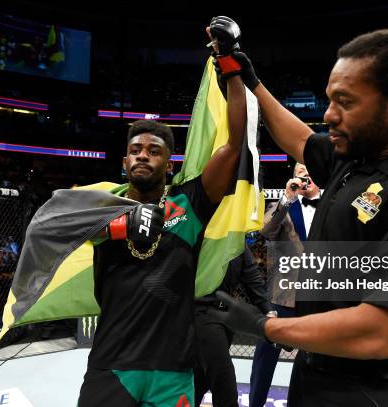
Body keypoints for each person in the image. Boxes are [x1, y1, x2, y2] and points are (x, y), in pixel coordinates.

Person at [209, 17, 388, 406]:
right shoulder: (360, 156)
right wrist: (250, 79)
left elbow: (382, 330)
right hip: (317, 378)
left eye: (345, 101)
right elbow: (301, 139)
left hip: (380, 392)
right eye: (330, 99)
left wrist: (266, 327)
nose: (329, 114)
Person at [77, 21, 248, 407]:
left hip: (173, 369)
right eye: (136, 149)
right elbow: (55, 223)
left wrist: (231, 66)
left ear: (169, 164)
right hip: (111, 365)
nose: (143, 155)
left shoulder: (188, 204)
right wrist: (121, 225)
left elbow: (233, 145)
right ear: (124, 161)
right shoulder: (100, 205)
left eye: (154, 151)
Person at [249, 163, 321, 407]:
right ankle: (256, 403)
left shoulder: (332, 205)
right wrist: (287, 198)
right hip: (284, 296)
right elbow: (266, 230)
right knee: (265, 357)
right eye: (301, 170)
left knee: (314, 360)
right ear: (294, 176)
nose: (305, 174)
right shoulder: (283, 206)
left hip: (319, 297)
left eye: (309, 170)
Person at [194, 245, 271, 407]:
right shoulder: (197, 228)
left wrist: (270, 315)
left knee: (199, 379)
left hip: (223, 316)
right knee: (224, 385)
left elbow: (252, 277)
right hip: (198, 314)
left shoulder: (236, 238)